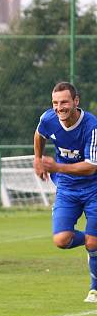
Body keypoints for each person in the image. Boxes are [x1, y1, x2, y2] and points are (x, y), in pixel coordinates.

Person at [33, 81, 97, 303]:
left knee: (92, 243)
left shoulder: (91, 126)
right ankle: (93, 241)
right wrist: (38, 159)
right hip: (67, 188)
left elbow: (91, 166)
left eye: (64, 102)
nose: (59, 107)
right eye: (55, 103)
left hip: (93, 188)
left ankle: (94, 289)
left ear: (76, 102)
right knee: (61, 239)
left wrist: (57, 167)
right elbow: (39, 134)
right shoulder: (49, 119)